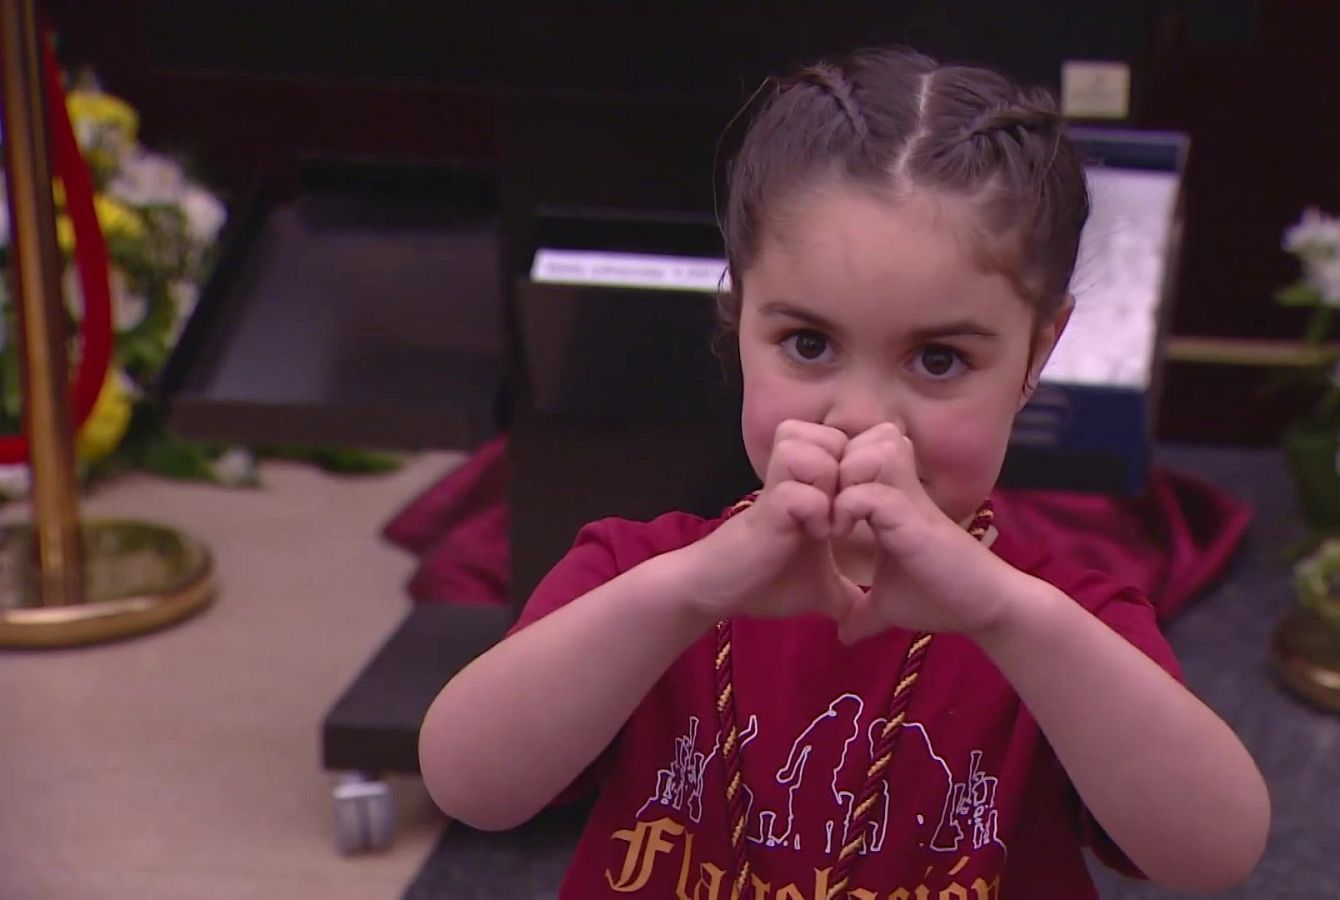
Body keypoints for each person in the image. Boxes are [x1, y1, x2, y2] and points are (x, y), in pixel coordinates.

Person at [420, 46, 1269, 899]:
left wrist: (1009, 616)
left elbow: (1215, 853)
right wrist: (684, 594)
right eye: (809, 344)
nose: (860, 416)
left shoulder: (1062, 624)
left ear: (1037, 353)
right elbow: (471, 785)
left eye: (938, 358)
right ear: (737, 311)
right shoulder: (641, 579)